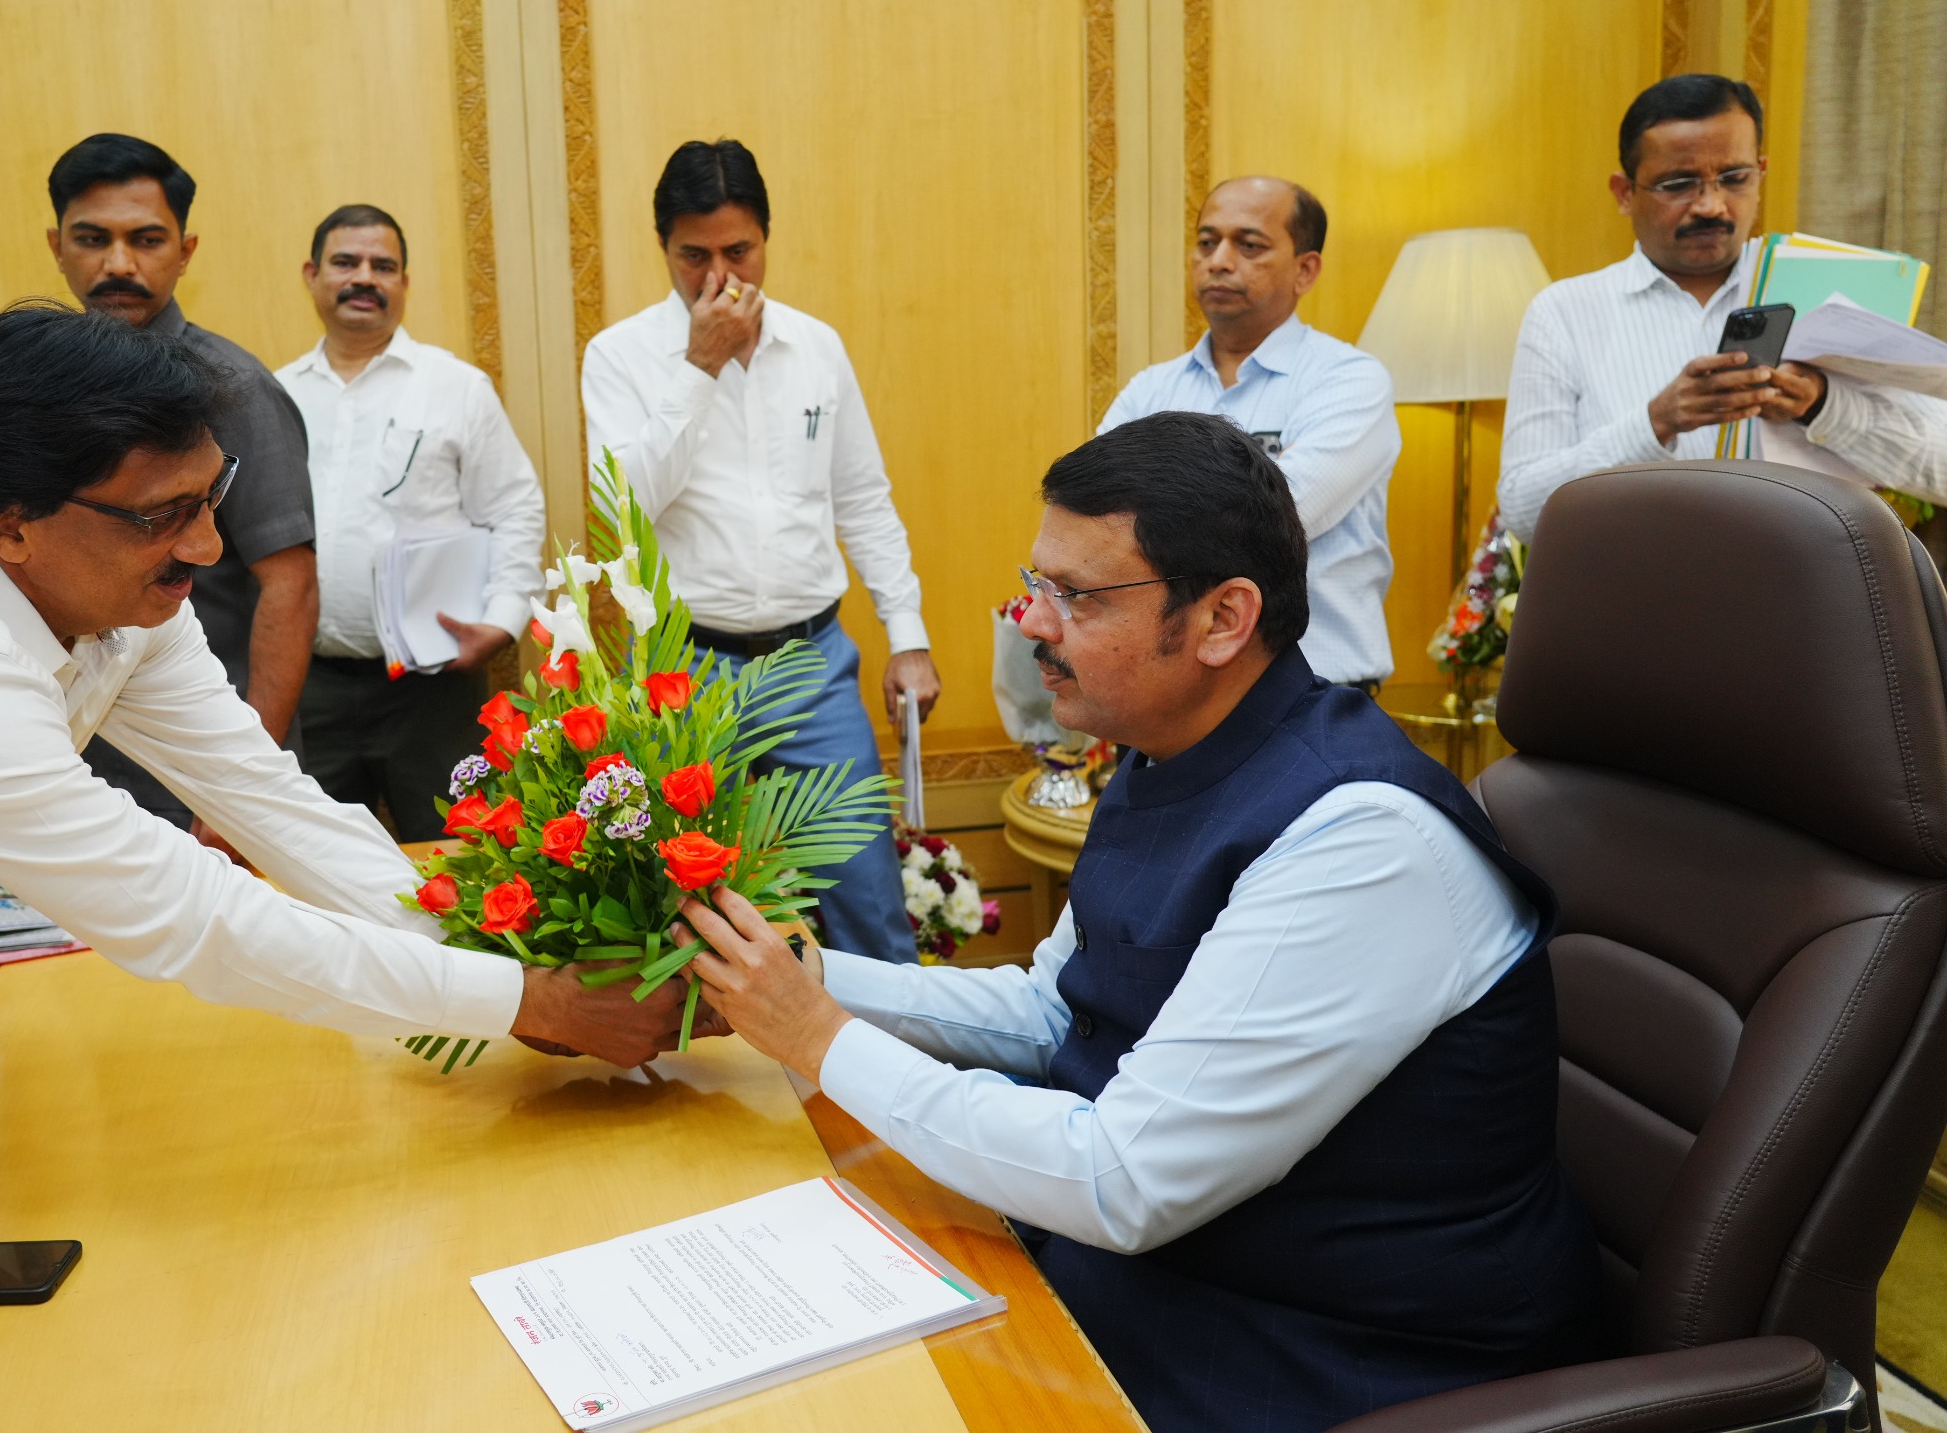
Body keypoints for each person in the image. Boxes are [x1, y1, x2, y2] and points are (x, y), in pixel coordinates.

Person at [681, 411, 1595, 1433]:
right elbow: (1055, 1010)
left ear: (1222, 619)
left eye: (1075, 595)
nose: (1031, 621)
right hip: (1170, 1281)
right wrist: (800, 977)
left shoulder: (1362, 838)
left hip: (1336, 1358)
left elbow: (1122, 1180)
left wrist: (817, 1037)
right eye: (1036, 583)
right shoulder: (1171, 750)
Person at [0, 304, 690, 1071]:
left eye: (214, 496)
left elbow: (267, 795)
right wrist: (529, 1003)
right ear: (10, 523)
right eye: (160, 516)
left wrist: (500, 971)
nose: (207, 546)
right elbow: (189, 911)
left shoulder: (118, 602)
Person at [581, 139, 932, 961]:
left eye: (738, 251)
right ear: (663, 247)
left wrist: (908, 635)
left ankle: (890, 1047)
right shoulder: (620, 356)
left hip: (814, 664)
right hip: (688, 672)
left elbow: (863, 500)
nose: (718, 277)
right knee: (696, 912)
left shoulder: (817, 347)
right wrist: (698, 367)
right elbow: (623, 507)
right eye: (692, 256)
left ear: (766, 238)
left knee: (868, 900)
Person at [1500, 73, 1947, 538]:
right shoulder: (1562, 312)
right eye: (1679, 184)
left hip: (1801, 579)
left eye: (1734, 179)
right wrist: (1657, 422)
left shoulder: (1839, 292)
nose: (1711, 206)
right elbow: (1524, 512)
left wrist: (1823, 406)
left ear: (1760, 173)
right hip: (1638, 580)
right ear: (1624, 193)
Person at [46, 132, 317, 822]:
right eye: (92, 239)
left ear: (185, 251)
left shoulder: (233, 388)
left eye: (146, 240)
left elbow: (290, 588)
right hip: (72, 758)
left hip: (203, 762)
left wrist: (242, 792)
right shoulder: (42, 389)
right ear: (56, 246)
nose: (118, 264)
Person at [274, 204, 544, 840]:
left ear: (404, 282)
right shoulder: (277, 393)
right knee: (314, 865)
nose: (364, 278)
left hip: (432, 688)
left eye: (383, 266)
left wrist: (503, 620)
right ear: (312, 275)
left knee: (462, 859)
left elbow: (514, 506)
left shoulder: (457, 387)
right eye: (346, 262)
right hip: (309, 686)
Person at [1100, 176, 1397, 692]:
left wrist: (1157, 504)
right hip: (1169, 697)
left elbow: (1275, 520)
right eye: (1207, 241)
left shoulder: (1349, 379)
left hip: (1316, 690)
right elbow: (1100, 521)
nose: (1219, 260)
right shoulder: (1150, 390)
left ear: (1305, 269)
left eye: (1249, 245)